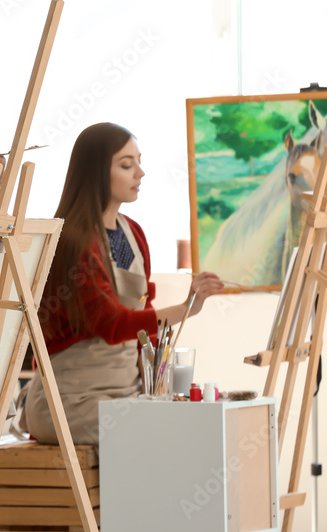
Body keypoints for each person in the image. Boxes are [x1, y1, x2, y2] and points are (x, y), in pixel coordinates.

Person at [20, 123, 225, 444]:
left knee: (192, 422)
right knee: (162, 438)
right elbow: (113, 325)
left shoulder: (133, 232)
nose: (140, 173)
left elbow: (143, 314)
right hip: (71, 403)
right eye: (127, 165)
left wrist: (158, 382)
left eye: (139, 162)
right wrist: (187, 308)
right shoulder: (73, 240)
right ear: (96, 171)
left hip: (127, 393)